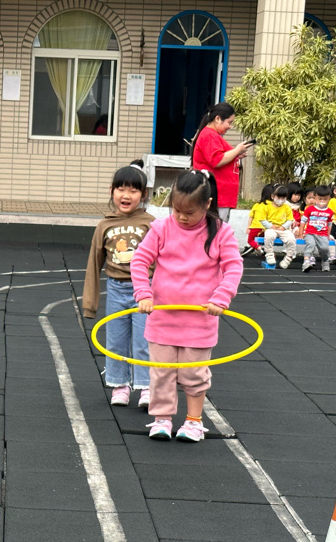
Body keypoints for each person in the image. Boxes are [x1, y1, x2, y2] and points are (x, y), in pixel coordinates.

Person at [130, 169, 243, 442]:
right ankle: (162, 419)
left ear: (207, 204)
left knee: (194, 374)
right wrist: (143, 293)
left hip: (199, 320)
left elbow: (233, 267)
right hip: (163, 318)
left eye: (189, 212)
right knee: (162, 374)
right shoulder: (161, 228)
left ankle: (194, 421)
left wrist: (221, 297)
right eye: (176, 209)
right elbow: (139, 260)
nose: (181, 217)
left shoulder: (221, 232)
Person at [83, 165, 155, 408]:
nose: (126, 195)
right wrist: (90, 304)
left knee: (144, 341)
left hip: (145, 290)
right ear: (111, 191)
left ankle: (146, 386)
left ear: (144, 194)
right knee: (115, 341)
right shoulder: (104, 225)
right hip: (116, 289)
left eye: (133, 191)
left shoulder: (151, 224)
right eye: (121, 189)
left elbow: (164, 260)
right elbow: (94, 263)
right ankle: (119, 385)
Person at [190, 102, 251, 222]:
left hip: (221, 195)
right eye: (229, 122)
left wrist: (235, 155)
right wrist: (237, 150)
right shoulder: (209, 135)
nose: (230, 126)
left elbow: (220, 157)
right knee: (216, 228)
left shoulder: (212, 135)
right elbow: (217, 160)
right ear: (218, 119)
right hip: (217, 195)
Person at [290, 185, 334, 272]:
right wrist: (301, 234)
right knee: (310, 244)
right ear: (315, 198)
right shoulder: (310, 209)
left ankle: (325, 260)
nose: (322, 201)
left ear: (329, 199)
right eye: (320, 199)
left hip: (322, 234)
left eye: (325, 199)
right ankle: (306, 261)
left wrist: (328, 235)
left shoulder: (329, 212)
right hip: (310, 233)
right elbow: (303, 222)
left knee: (324, 248)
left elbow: (329, 224)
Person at [260, 185, 296, 268]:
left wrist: (284, 227)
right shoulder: (267, 207)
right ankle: (269, 254)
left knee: (291, 239)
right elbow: (262, 219)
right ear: (273, 196)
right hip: (271, 228)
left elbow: (290, 219)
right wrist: (270, 226)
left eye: (283, 198)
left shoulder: (287, 207)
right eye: (279, 197)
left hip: (283, 229)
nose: (281, 200)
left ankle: (288, 257)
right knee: (269, 235)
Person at [244, 183, 275, 258]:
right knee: (266, 240)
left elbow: (251, 217)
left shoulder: (257, 205)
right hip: (266, 229)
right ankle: (265, 252)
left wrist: (248, 227)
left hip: (255, 228)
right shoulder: (273, 206)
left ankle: (259, 248)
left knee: (250, 240)